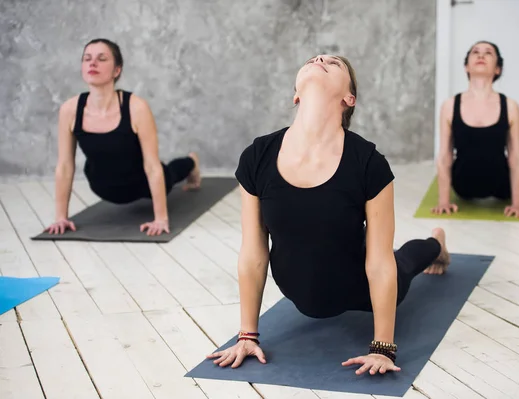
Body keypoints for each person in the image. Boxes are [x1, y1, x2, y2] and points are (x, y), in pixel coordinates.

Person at [206, 55, 451, 376]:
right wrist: (247, 335)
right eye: (313, 59)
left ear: (349, 99)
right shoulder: (257, 155)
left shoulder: (368, 163)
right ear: (296, 94)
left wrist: (382, 348)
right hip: (295, 288)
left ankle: (437, 244)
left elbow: (378, 262)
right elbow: (253, 251)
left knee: (403, 261)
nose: (320, 59)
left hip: (357, 285)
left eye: (333, 63)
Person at [44, 38, 202, 237]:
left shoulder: (136, 107)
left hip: (140, 182)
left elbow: (152, 166)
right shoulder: (69, 109)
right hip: (101, 186)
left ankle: (191, 162)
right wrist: (61, 217)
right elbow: (65, 165)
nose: (93, 63)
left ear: (116, 70)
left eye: (102, 59)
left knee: (169, 174)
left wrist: (160, 219)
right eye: (87, 59)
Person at [432, 41, 519, 218]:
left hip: (502, 184)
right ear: (466, 67)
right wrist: (443, 201)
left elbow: (516, 155)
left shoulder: (510, 106)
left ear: (498, 69)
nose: (481, 55)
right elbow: (445, 155)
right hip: (463, 185)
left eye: (488, 53)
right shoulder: (449, 105)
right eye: (475, 52)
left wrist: (518, 204)